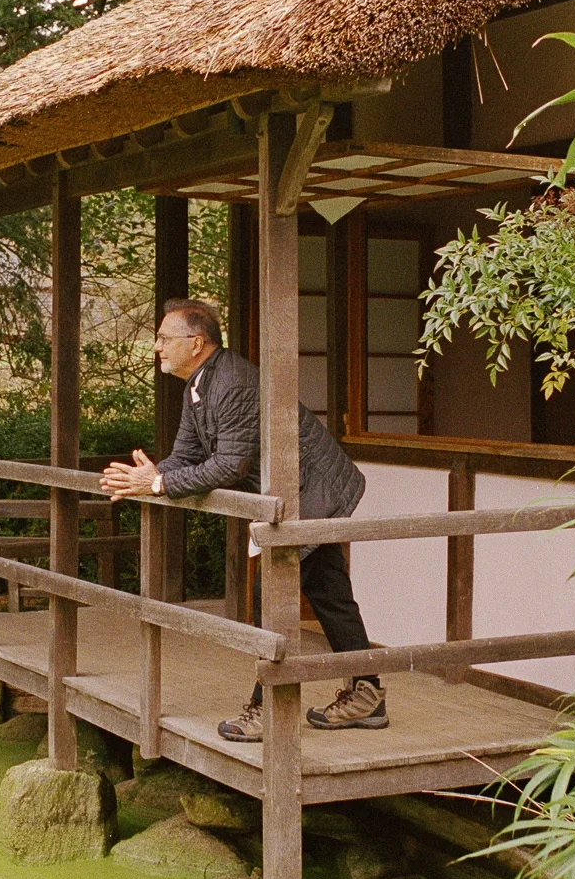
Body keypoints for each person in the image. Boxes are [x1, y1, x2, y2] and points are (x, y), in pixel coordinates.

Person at [100, 297, 386, 741]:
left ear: (196, 343)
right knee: (330, 594)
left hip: (314, 492)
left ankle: (268, 709)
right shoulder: (198, 385)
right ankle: (368, 694)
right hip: (297, 494)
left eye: (163, 338)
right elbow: (187, 455)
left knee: (270, 598)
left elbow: (229, 466)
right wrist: (150, 476)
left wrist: (157, 484)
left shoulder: (232, 382)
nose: (157, 347)